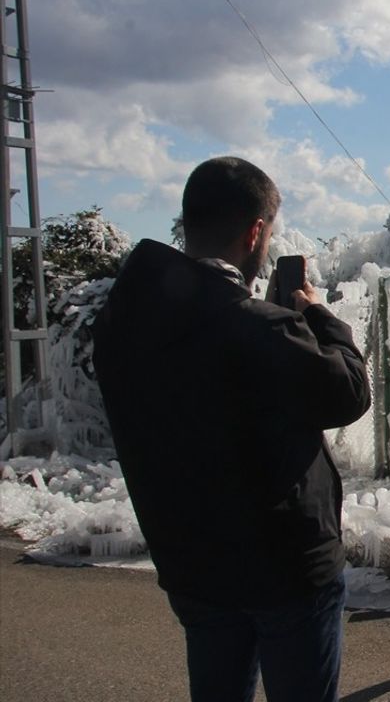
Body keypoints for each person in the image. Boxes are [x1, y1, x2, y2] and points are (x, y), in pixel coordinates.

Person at [92, 156, 371, 701]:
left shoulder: (122, 323)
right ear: (256, 231)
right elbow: (348, 392)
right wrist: (316, 316)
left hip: (192, 565)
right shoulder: (260, 328)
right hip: (286, 571)